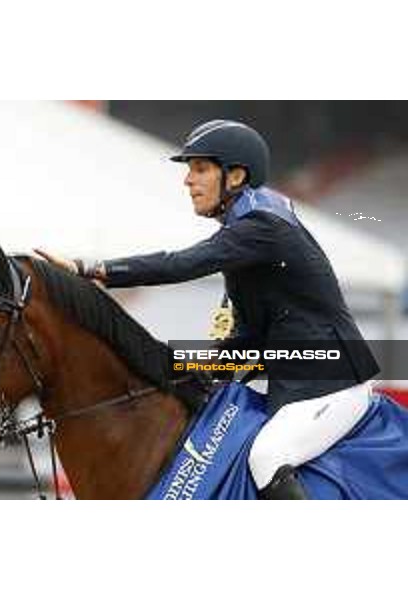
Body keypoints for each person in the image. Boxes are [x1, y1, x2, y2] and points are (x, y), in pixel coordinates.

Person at [35, 119, 380, 500]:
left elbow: (181, 264)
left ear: (234, 176)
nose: (188, 180)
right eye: (189, 170)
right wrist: (181, 370)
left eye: (200, 169)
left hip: (333, 383)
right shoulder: (247, 229)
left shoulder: (262, 226)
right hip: (297, 377)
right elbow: (248, 338)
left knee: (267, 456)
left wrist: (94, 270)